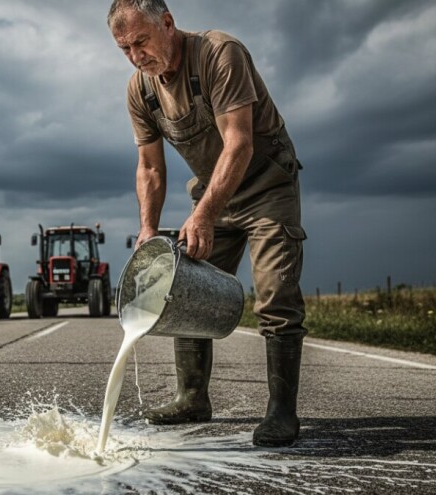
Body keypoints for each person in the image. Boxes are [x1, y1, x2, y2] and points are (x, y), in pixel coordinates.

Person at [108, 0, 307, 447]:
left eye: (141, 41)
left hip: (265, 185)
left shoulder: (219, 54)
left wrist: (204, 215)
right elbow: (150, 168)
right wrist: (147, 230)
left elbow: (238, 143)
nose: (136, 55)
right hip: (212, 193)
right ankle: (192, 396)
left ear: (168, 23)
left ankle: (280, 412)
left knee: (275, 294)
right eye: (124, 49)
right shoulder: (140, 90)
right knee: (179, 285)